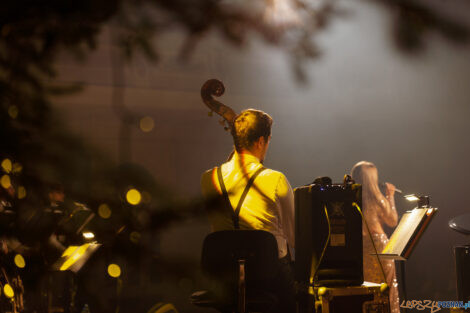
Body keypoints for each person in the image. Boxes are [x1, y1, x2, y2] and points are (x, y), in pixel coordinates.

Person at [201, 109, 295, 313]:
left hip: (226, 282)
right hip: (269, 280)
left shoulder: (209, 178)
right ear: (261, 141)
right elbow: (294, 237)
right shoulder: (275, 179)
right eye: (268, 141)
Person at [351, 161, 399, 313]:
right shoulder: (378, 199)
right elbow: (392, 220)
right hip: (379, 245)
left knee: (367, 288)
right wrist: (390, 196)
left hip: (360, 247)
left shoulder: (351, 198)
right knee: (387, 286)